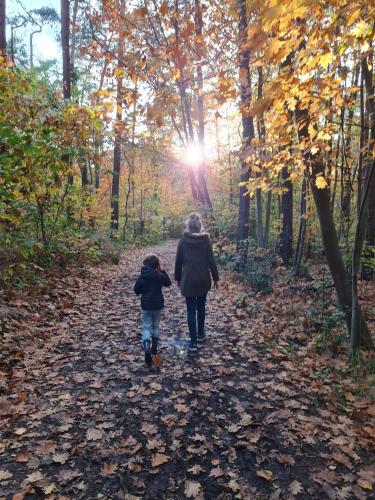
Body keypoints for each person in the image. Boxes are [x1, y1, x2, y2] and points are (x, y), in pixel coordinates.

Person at [174, 213, 219, 351]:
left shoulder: (183, 240)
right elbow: (211, 260)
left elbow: (178, 261)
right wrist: (216, 278)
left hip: (189, 280)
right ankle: (200, 334)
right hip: (203, 279)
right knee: (201, 306)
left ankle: (193, 343)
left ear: (188, 225)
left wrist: (178, 278)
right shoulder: (206, 240)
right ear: (200, 226)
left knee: (191, 310)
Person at [134, 254, 171, 366]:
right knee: (155, 326)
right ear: (156, 265)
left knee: (146, 327)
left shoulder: (142, 277)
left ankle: (146, 348)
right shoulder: (160, 275)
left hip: (146, 306)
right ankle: (154, 348)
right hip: (158, 305)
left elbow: (136, 290)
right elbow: (168, 283)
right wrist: (163, 272)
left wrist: (142, 290)